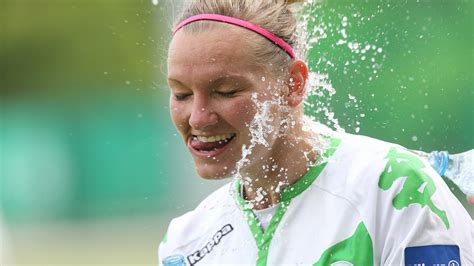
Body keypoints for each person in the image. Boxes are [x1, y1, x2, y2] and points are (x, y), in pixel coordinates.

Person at [159, 0, 473, 265]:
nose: (198, 118)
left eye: (226, 91)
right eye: (181, 94)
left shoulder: (396, 188)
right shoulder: (185, 244)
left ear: (293, 84)